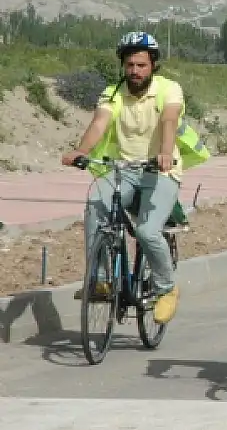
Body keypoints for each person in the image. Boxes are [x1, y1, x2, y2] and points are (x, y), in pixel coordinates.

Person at [61, 31, 185, 324]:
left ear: (153, 64)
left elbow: (169, 120)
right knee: (96, 203)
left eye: (141, 65)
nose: (135, 71)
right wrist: (81, 151)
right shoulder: (114, 92)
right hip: (124, 170)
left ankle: (167, 288)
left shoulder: (169, 89)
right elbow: (99, 122)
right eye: (130, 65)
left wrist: (166, 153)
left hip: (160, 171)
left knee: (146, 232)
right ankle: (100, 279)